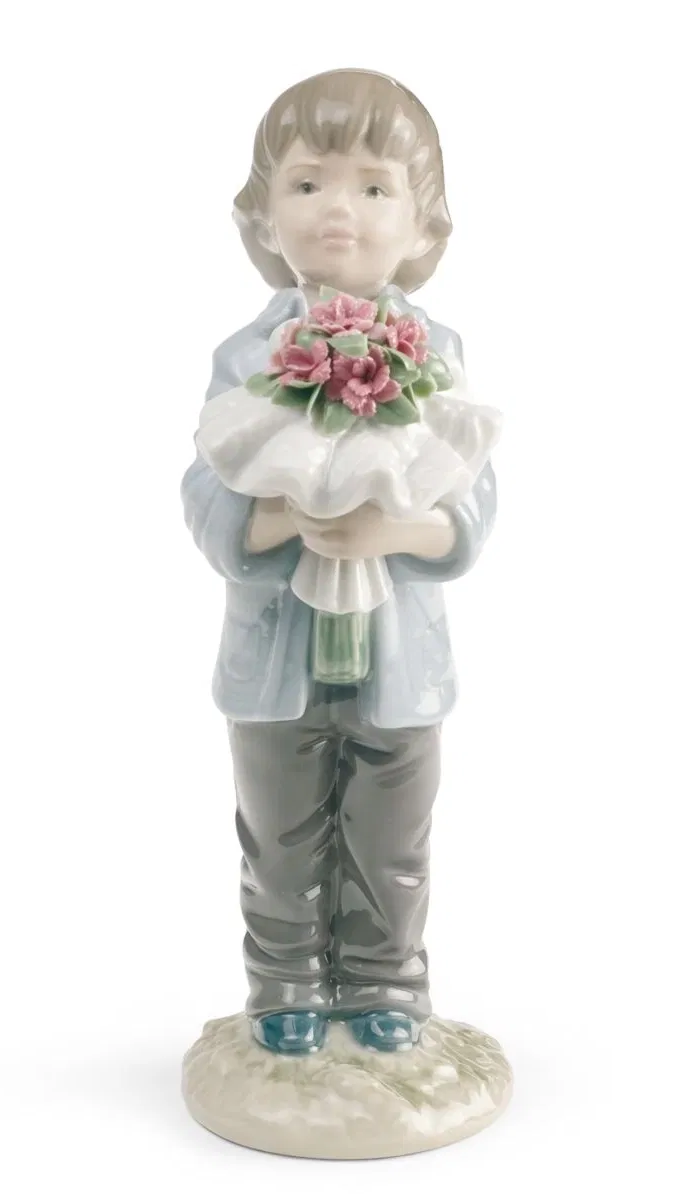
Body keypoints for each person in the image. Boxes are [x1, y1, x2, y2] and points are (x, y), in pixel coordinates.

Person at [181, 69, 497, 1055]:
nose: (338, 211)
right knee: (278, 829)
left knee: (391, 832)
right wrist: (278, 518)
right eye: (308, 182)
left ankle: (383, 980)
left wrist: (392, 534)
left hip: (397, 655)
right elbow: (204, 495)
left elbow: (470, 501)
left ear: (421, 222)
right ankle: (284, 979)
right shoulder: (247, 359)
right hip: (277, 653)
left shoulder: (433, 353)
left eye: (373, 187)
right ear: (264, 213)